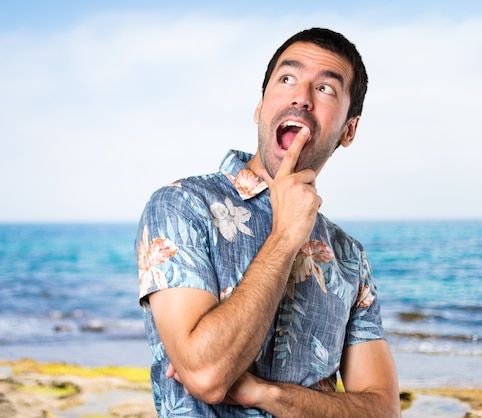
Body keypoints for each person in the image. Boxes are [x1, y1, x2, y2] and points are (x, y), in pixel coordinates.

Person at [135, 27, 400, 417]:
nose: (301, 97)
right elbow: (206, 374)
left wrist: (266, 394)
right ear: (260, 107)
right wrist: (285, 237)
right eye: (287, 78)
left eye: (325, 89)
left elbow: (383, 410)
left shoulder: (349, 256)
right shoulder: (181, 206)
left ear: (348, 130)